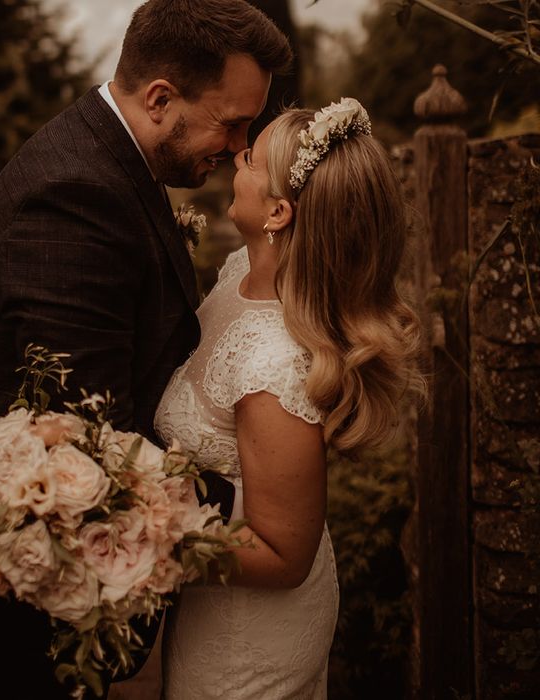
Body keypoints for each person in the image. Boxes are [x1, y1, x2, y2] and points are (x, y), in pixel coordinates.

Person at [0, 1, 292, 698]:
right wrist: (267, 516)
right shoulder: (71, 196)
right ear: (161, 98)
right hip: (29, 626)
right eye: (234, 122)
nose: (242, 144)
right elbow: (96, 442)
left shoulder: (113, 162)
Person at [155, 99, 425, 699]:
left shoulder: (274, 365)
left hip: (247, 635)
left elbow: (283, 554)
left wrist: (149, 535)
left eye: (250, 156)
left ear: (278, 211)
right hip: (214, 599)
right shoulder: (237, 274)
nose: (235, 153)